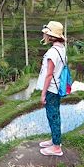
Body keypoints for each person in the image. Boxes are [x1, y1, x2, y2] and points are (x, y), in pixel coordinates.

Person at [36, 21, 66, 157]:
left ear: (51, 36)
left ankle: (56, 148)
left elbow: (49, 75)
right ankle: (55, 141)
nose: (45, 36)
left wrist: (43, 94)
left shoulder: (52, 52)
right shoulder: (62, 49)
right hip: (57, 87)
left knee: (53, 116)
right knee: (54, 115)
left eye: (46, 33)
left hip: (51, 90)